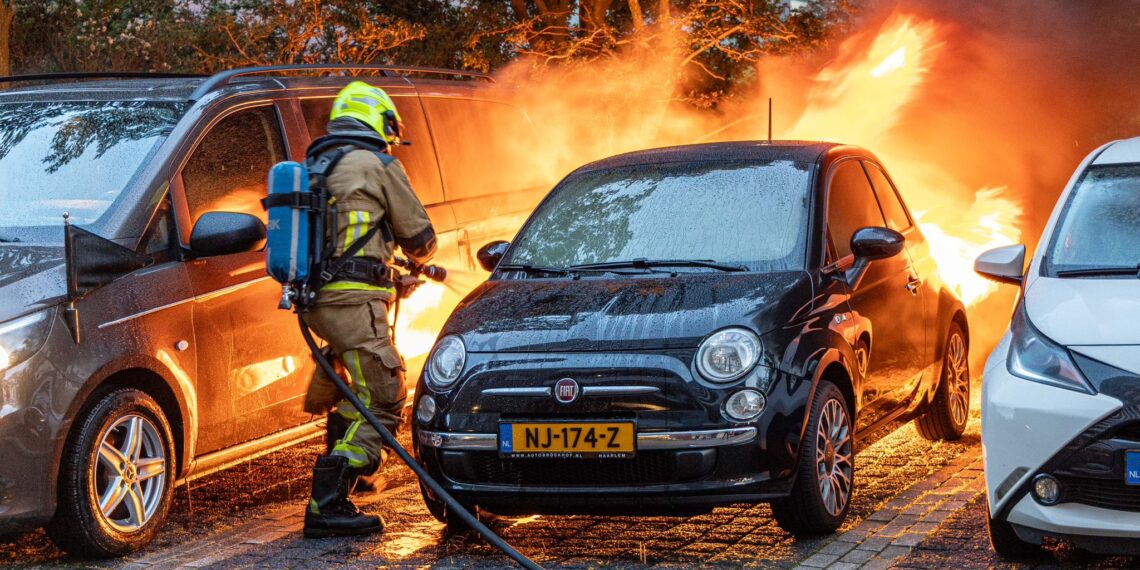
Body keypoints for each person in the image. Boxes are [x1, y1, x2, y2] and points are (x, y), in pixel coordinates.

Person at [300, 81, 437, 539]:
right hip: (353, 302)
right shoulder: (378, 164)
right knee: (383, 394)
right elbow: (420, 237)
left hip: (317, 300)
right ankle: (328, 503)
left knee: (351, 391)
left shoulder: (318, 162)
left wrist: (390, 274)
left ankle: (353, 480)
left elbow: (344, 243)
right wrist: (417, 258)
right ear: (377, 120)